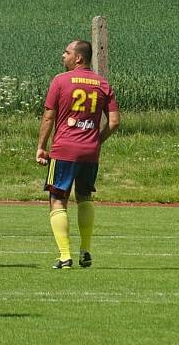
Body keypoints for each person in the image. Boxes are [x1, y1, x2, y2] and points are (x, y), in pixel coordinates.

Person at [36, 39, 120, 269]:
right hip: (90, 153)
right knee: (85, 197)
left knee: (57, 199)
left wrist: (41, 146)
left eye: (66, 52)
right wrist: (96, 140)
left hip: (64, 150)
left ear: (78, 58)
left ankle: (65, 256)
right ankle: (86, 250)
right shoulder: (103, 83)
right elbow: (114, 122)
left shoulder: (60, 81)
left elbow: (48, 116)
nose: (63, 56)